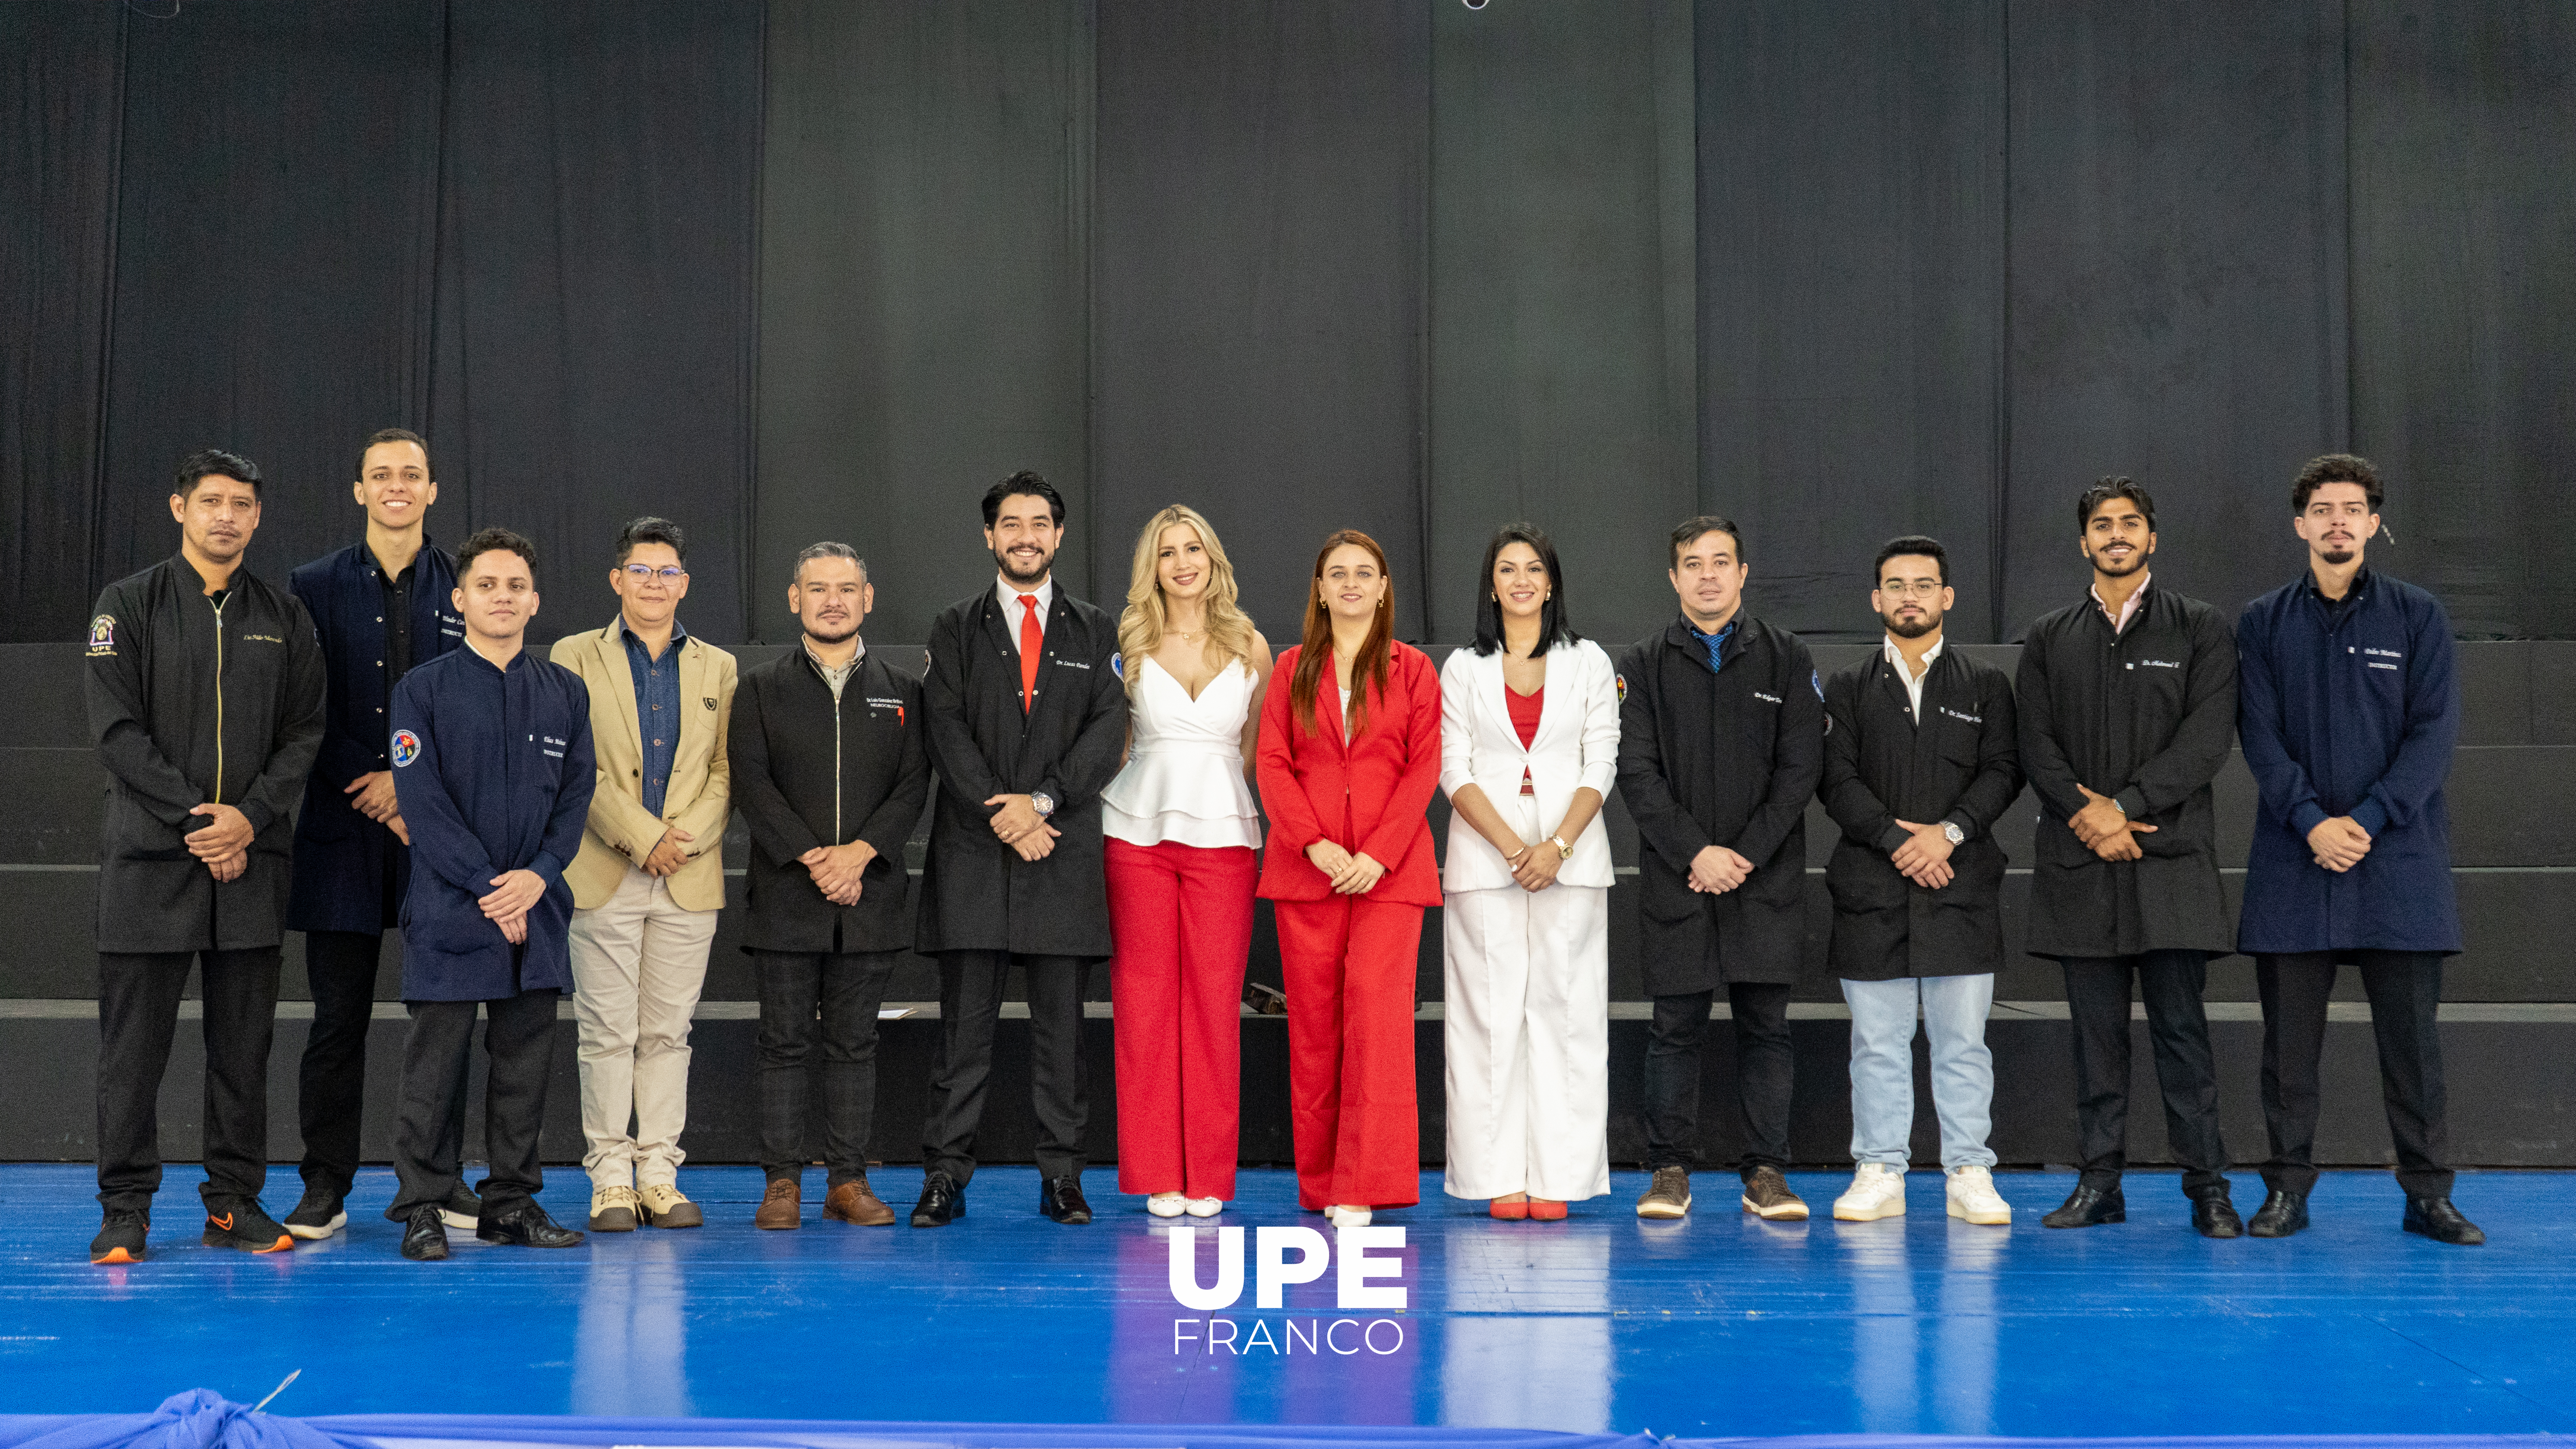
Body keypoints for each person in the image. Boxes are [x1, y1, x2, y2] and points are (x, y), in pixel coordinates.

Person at [85, 449, 326, 1264]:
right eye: (212, 500)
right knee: (133, 1054)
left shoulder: (285, 616)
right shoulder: (127, 605)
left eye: (243, 504)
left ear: (258, 518)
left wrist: (247, 821)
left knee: (242, 1054)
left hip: (252, 865)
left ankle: (233, 1201)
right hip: (152, 866)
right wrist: (199, 822)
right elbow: (118, 733)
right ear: (178, 507)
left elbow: (304, 735)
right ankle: (125, 1209)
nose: (228, 515)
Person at [2235, 454, 2480, 1245]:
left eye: (2352, 508)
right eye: (2321, 508)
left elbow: (2432, 737)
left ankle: (2427, 1195)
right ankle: (2285, 1192)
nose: (2337, 520)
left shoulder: (2418, 616)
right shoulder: (2262, 622)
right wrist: (2309, 820)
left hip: (2397, 866)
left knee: (2413, 1050)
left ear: (2373, 523)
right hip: (2293, 862)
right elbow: (2259, 735)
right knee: (2287, 1055)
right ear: (2299, 523)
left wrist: (2367, 820)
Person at [2017, 478, 2243, 1237]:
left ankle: (2207, 1187)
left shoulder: (2200, 628)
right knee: (2095, 1040)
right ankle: (2099, 1183)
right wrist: (2089, 814)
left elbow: (2208, 739)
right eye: (2102, 525)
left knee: (2183, 1035)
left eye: (2131, 523)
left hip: (2170, 862)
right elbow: (2034, 744)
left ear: (2152, 537)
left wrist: (2128, 805)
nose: (2116, 534)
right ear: (2084, 542)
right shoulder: (2050, 635)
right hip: (2082, 862)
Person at [912, 472, 1130, 1228]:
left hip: (1060, 851)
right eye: (1011, 524)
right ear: (989, 537)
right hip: (974, 853)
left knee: (1061, 1038)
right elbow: (944, 728)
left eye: (1039, 523)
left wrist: (1040, 805)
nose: (1026, 536)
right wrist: (1002, 812)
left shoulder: (1095, 629)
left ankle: (1062, 1179)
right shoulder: (953, 627)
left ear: (1058, 536)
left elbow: (1108, 730)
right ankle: (945, 1177)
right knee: (961, 1035)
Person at [281, 428, 474, 1243]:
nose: (397, 486)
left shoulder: (469, 583)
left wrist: (411, 789)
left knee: (448, 1015)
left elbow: (474, 704)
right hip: (341, 827)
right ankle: (325, 1186)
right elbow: (300, 706)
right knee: (337, 1022)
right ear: (359, 489)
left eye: (413, 475)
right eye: (381, 475)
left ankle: (440, 1178)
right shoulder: (311, 584)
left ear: (433, 491)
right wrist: (377, 783)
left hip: (442, 838)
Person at [384, 528, 594, 1260]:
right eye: (486, 586)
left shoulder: (565, 692)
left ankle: (512, 1203)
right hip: (450, 907)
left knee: (524, 1066)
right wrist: (485, 887)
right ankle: (422, 1204)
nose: (500, 598)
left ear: (534, 602)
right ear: (460, 598)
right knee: (433, 1069)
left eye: (514, 587)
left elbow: (576, 798)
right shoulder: (422, 690)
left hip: (537, 908)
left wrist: (536, 877)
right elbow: (423, 804)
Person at [1616, 515, 1823, 1222]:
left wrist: (1742, 856)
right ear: (1673, 578)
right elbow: (1636, 772)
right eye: (1692, 563)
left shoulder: (1788, 658)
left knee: (1766, 1026)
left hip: (1761, 878)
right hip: (1680, 877)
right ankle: (1668, 1171)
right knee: (1674, 1027)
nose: (1707, 574)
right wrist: (1694, 853)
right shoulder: (1641, 664)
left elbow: (1800, 771)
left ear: (1742, 574)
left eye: (1721, 561)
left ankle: (1766, 1172)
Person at [1818, 537, 2021, 1228]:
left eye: (1923, 584)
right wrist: (1897, 841)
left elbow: (2002, 771)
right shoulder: (1843, 687)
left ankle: (1969, 1170)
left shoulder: (1985, 685)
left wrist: (1950, 834)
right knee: (1877, 1044)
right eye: (1895, 585)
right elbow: (1834, 779)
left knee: (1963, 1043)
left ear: (1947, 597)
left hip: (1960, 888)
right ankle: (1879, 1168)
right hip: (1871, 889)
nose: (1910, 596)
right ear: (1876, 600)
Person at [729, 542, 929, 1229]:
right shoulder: (759, 687)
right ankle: (781, 1183)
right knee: (782, 1044)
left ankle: (848, 1181)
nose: (833, 600)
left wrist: (861, 855)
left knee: (855, 1045)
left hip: (869, 897)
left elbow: (912, 786)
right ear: (795, 599)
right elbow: (751, 784)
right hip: (788, 895)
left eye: (846, 588)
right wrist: (817, 859)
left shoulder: (904, 691)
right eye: (818, 589)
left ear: (868, 599)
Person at [551, 517, 737, 1232]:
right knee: (605, 1033)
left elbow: (725, 771)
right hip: (605, 869)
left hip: (687, 876)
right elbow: (576, 766)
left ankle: (659, 1174)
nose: (654, 584)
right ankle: (610, 1180)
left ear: (684, 583)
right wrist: (642, 838)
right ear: (616, 579)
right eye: (641, 571)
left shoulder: (717, 665)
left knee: (667, 1034)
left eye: (667, 573)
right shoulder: (574, 655)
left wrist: (678, 842)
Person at [1255, 529, 1441, 1228]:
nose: (1353, 584)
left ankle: (1365, 1182)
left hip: (1387, 878)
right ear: (1320, 588)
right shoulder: (1290, 668)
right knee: (1314, 1032)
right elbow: (1272, 763)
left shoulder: (1414, 670)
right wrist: (1315, 845)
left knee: (1376, 1025)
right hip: (1311, 877)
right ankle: (1324, 1182)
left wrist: (1378, 854)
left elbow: (1423, 766)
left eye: (1366, 573)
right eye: (1339, 574)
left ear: (1384, 587)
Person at [1438, 524, 1619, 1220]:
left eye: (1533, 569)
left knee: (1566, 1018)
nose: (1520, 580)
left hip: (1570, 863)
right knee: (1487, 1019)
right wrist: (1517, 848)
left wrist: (1557, 847)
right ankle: (1496, 1176)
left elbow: (1600, 759)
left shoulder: (1591, 662)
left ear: (1551, 584)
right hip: (1486, 862)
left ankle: (1560, 1177)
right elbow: (1451, 767)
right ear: (1491, 586)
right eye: (1506, 569)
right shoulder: (1462, 668)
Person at [1102, 505, 1272, 1218]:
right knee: (1144, 1005)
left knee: (1212, 1008)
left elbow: (1253, 752)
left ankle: (1207, 1173)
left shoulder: (1251, 645)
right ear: (1153, 566)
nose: (1182, 562)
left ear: (1213, 559)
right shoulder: (1127, 643)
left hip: (1225, 840)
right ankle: (1156, 1175)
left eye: (1193, 548)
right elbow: (1111, 746)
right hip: (1134, 835)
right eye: (1167, 552)